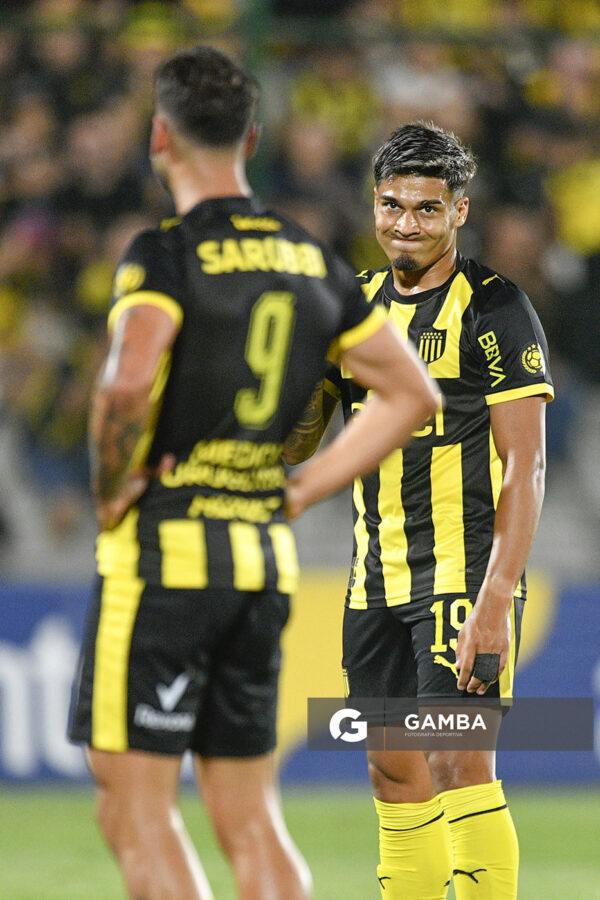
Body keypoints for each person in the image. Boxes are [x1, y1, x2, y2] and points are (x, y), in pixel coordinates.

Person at [67, 47, 438, 900]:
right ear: (254, 138)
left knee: (132, 807)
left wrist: (111, 487)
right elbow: (410, 393)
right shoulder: (311, 260)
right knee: (250, 816)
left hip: (166, 555)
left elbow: (128, 377)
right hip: (261, 558)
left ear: (160, 137)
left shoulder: (164, 254)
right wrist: (306, 486)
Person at [283, 121, 554, 900]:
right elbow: (299, 441)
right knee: (393, 772)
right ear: (375, 205)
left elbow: (526, 464)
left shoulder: (496, 310)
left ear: (458, 213)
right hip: (376, 579)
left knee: (458, 761)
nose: (406, 223)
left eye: (426, 209)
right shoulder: (354, 309)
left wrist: (496, 600)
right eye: (393, 205)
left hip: (462, 574)